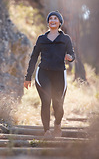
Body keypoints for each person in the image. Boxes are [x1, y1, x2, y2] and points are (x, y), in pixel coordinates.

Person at [24, 10, 75, 139]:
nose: (52, 20)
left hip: (59, 74)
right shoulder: (41, 39)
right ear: (48, 22)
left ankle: (57, 124)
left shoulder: (65, 38)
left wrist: (70, 57)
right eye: (50, 19)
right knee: (45, 101)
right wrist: (28, 77)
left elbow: (72, 54)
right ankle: (46, 131)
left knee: (58, 104)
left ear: (59, 22)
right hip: (43, 74)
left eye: (55, 19)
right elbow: (34, 57)